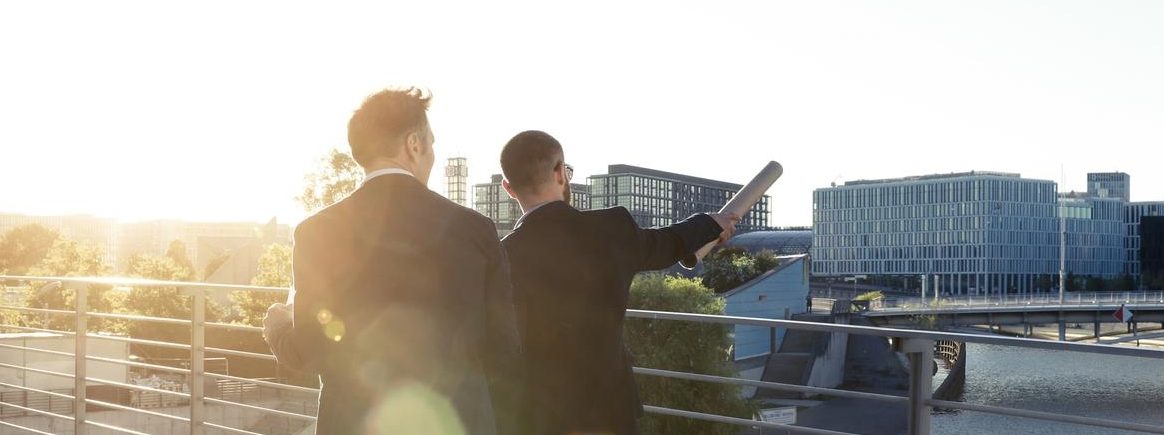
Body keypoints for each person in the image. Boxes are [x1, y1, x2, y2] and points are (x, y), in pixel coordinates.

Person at [263, 88, 523, 435]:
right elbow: (504, 350)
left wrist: (279, 328)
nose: (431, 153)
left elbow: (309, 352)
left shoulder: (317, 232)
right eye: (431, 143)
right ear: (414, 144)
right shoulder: (475, 229)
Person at [497, 130, 738, 435]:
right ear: (560, 172)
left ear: (508, 188)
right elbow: (667, 244)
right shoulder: (612, 228)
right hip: (610, 410)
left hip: (541, 417)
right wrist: (709, 224)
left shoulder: (503, 254)